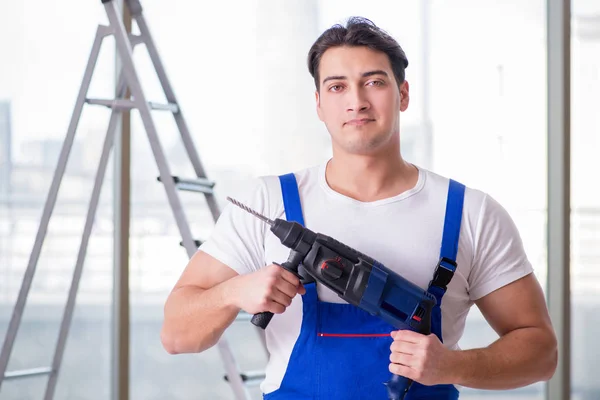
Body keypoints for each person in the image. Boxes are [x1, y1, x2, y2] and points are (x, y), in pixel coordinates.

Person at [160, 17, 557, 399]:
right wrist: (235, 291)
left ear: (402, 94)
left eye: (374, 82)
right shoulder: (269, 202)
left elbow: (541, 353)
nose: (356, 101)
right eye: (337, 87)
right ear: (318, 103)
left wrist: (451, 366)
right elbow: (177, 335)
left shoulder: (471, 214)